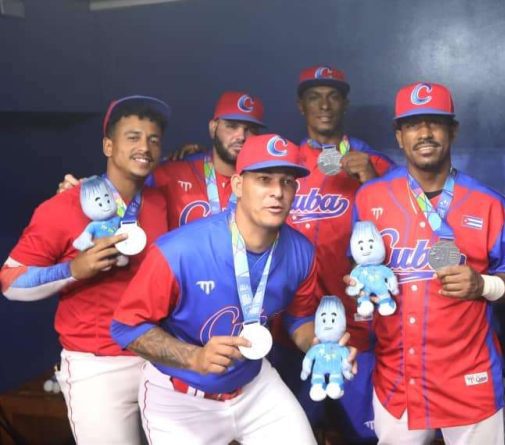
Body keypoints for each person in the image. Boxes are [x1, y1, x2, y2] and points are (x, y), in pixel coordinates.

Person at [110, 134, 332, 444]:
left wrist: (319, 344)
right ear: (238, 185)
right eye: (264, 179)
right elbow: (126, 328)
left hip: (254, 385)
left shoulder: (301, 252)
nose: (277, 193)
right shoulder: (179, 251)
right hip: (180, 398)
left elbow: (300, 317)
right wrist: (194, 358)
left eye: (287, 182)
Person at [350, 82, 505, 444]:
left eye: (435, 122)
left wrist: (483, 285)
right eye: (414, 125)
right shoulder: (369, 198)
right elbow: (358, 267)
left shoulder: (488, 204)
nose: (426, 133)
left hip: (468, 376)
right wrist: (357, 287)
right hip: (399, 377)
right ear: (399, 136)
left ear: (453, 130)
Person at [0, 96, 170, 444]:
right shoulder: (62, 206)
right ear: (108, 145)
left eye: (153, 139)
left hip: (157, 355)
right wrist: (74, 269)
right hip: (98, 365)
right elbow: (9, 282)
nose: (145, 147)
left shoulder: (158, 201)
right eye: (133, 137)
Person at [270, 65, 394, 443]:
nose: (324, 105)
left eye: (333, 96)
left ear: (345, 103)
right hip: (292, 324)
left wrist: (372, 182)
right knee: (294, 431)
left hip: (356, 325)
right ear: (300, 105)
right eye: (314, 97)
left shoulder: (376, 164)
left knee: (364, 433)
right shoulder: (283, 164)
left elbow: (401, 230)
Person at [59, 91, 266, 229]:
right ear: (213, 127)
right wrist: (83, 190)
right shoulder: (172, 171)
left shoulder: (267, 182)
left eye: (250, 129)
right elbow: (123, 185)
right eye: (231, 126)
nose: (241, 136)